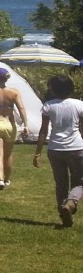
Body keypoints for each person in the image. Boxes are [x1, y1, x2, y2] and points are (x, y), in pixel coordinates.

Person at [34, 74, 83, 228]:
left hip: (55, 149)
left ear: (54, 90)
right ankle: (71, 202)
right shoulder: (79, 105)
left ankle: (63, 213)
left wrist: (38, 152)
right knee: (79, 181)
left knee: (60, 183)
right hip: (76, 148)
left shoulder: (48, 106)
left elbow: (43, 131)